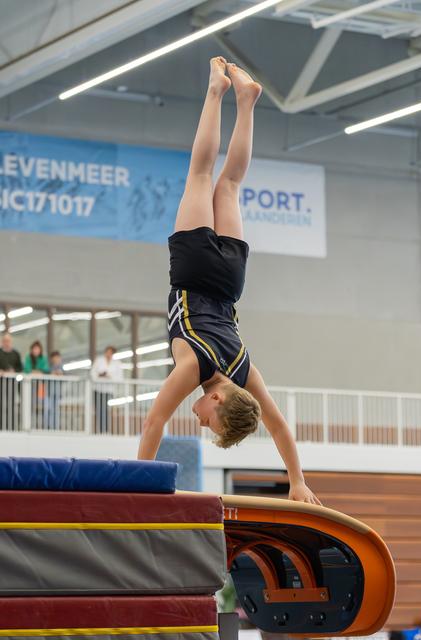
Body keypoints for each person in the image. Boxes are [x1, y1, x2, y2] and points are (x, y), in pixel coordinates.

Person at [137, 58, 320, 505]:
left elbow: (276, 422)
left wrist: (297, 479)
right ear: (218, 401)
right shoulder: (194, 367)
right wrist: (137, 483)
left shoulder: (243, 369)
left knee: (231, 184)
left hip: (231, 280)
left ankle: (247, 100)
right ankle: (217, 90)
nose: (199, 421)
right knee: (201, 175)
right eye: (209, 422)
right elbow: (154, 422)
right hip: (195, 268)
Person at [91, 346, 123, 434]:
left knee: (105, 409)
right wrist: (100, 375)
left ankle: (105, 429)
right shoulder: (98, 360)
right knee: (98, 409)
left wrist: (109, 376)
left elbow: (120, 378)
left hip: (108, 390)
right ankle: (100, 430)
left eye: (110, 352)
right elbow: (93, 373)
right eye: (107, 352)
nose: (109, 354)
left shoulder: (117, 363)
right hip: (97, 389)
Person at [23, 341, 50, 428]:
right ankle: (29, 425)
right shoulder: (28, 358)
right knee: (29, 405)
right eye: (34, 348)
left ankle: (42, 426)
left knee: (42, 406)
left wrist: (37, 372)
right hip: (30, 386)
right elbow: (26, 369)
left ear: (40, 350)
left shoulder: (43, 358)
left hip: (41, 386)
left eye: (37, 348)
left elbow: (46, 370)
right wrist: (36, 372)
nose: (36, 350)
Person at [0, 332, 23, 430]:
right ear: (2, 342)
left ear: (11, 342)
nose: (6, 343)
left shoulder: (16, 354)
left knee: (11, 404)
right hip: (1, 384)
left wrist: (14, 372)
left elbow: (20, 368)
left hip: (12, 384)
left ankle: (12, 426)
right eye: (5, 341)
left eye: (8, 341)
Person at [47, 351, 64, 430]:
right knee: (49, 409)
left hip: (57, 393)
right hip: (48, 392)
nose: (56, 359)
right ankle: (49, 427)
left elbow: (64, 376)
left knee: (56, 410)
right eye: (55, 357)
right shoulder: (49, 367)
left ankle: (55, 427)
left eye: (58, 357)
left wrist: (60, 373)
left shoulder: (62, 368)